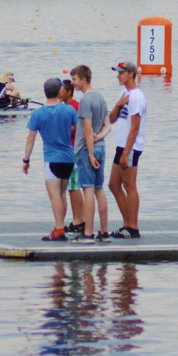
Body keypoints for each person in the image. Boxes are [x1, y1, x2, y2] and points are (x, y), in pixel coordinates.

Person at [23, 78, 79, 241]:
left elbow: (30, 139)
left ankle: (59, 230)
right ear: (59, 91)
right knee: (62, 194)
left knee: (54, 195)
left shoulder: (38, 113)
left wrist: (26, 160)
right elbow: (77, 129)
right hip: (68, 158)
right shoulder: (69, 110)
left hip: (51, 159)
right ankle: (59, 227)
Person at [71, 65, 112, 243]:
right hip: (101, 147)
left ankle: (88, 233)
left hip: (86, 149)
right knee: (99, 189)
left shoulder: (86, 100)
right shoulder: (100, 97)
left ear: (84, 79)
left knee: (88, 189)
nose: (72, 83)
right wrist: (99, 137)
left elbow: (87, 129)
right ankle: (104, 231)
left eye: (74, 79)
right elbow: (108, 126)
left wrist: (89, 153)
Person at [108, 61, 147, 239]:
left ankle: (133, 227)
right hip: (121, 145)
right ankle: (127, 224)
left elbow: (135, 128)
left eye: (121, 73)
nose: (118, 76)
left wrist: (126, 153)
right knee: (113, 185)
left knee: (129, 185)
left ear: (131, 74)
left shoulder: (137, 97)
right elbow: (111, 119)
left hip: (130, 147)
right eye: (118, 73)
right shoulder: (123, 93)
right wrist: (118, 105)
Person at [57, 80, 85, 238]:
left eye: (61, 91)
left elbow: (79, 128)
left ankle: (79, 220)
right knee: (70, 187)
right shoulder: (64, 107)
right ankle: (77, 219)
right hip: (66, 151)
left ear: (68, 92)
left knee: (74, 186)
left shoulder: (75, 106)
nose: (59, 94)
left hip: (74, 149)